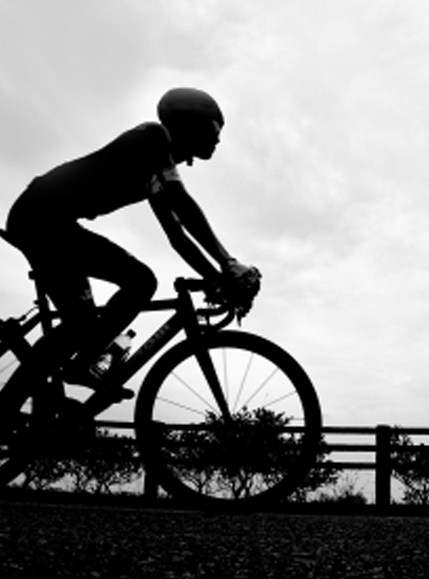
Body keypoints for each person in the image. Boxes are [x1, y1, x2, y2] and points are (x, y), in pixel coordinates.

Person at [4, 87, 260, 396]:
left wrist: (217, 280)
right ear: (189, 124)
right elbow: (181, 202)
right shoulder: (152, 137)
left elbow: (178, 236)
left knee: (80, 324)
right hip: (40, 218)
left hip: (48, 220)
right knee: (139, 282)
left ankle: (46, 383)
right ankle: (79, 365)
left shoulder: (155, 172)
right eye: (214, 127)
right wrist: (228, 264)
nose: (219, 138)